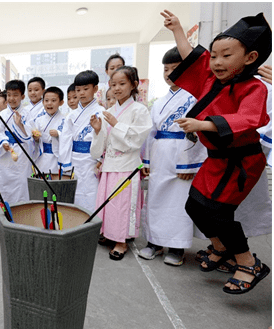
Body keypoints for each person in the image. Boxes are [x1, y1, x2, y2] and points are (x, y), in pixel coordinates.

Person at [162, 10, 271, 294]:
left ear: (250, 58)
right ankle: (222, 249)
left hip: (240, 161)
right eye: (214, 55)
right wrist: (177, 30)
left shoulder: (254, 88)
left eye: (226, 55)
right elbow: (193, 58)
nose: (216, 62)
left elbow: (249, 119)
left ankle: (249, 263)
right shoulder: (210, 79)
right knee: (194, 205)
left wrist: (202, 124)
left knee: (220, 213)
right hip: (215, 160)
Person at [139, 47, 206, 266]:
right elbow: (151, 132)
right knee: (156, 200)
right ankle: (154, 242)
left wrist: (190, 164)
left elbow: (197, 132)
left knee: (178, 202)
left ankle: (177, 247)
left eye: (175, 69)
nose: (169, 74)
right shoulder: (158, 102)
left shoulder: (195, 97)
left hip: (181, 157)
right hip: (160, 154)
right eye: (166, 69)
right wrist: (146, 160)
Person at [89, 66, 152, 260]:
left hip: (126, 166)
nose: (117, 88)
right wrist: (99, 130)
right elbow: (102, 145)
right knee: (108, 203)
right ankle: (109, 233)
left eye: (122, 84)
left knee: (122, 204)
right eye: (113, 84)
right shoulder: (109, 111)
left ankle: (121, 241)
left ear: (133, 85)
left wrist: (116, 125)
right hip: (109, 165)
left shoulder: (139, 110)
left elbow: (137, 140)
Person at [58, 70, 105, 211]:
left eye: (86, 89)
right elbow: (65, 139)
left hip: (92, 158)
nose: (82, 93)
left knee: (92, 191)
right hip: (74, 158)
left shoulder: (101, 111)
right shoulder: (71, 115)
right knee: (76, 191)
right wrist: (65, 163)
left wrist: (100, 159)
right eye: (78, 90)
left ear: (95, 89)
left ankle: (93, 222)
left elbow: (104, 136)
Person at [0, 80, 32, 205]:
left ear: (22, 96)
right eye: (9, 94)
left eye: (15, 95)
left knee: (22, 183)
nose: (11, 98)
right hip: (7, 152)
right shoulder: (2, 114)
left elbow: (30, 134)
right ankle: (7, 210)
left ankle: (22, 210)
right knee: (5, 181)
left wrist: (20, 124)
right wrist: (3, 142)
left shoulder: (27, 113)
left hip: (22, 153)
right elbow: (0, 132)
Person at [32, 87, 66, 174]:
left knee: (54, 181)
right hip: (41, 155)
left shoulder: (64, 120)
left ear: (61, 102)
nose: (49, 103)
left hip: (56, 157)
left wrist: (58, 134)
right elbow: (34, 139)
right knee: (41, 179)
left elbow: (68, 137)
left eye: (53, 100)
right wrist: (36, 138)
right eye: (46, 100)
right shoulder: (39, 120)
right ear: (43, 102)